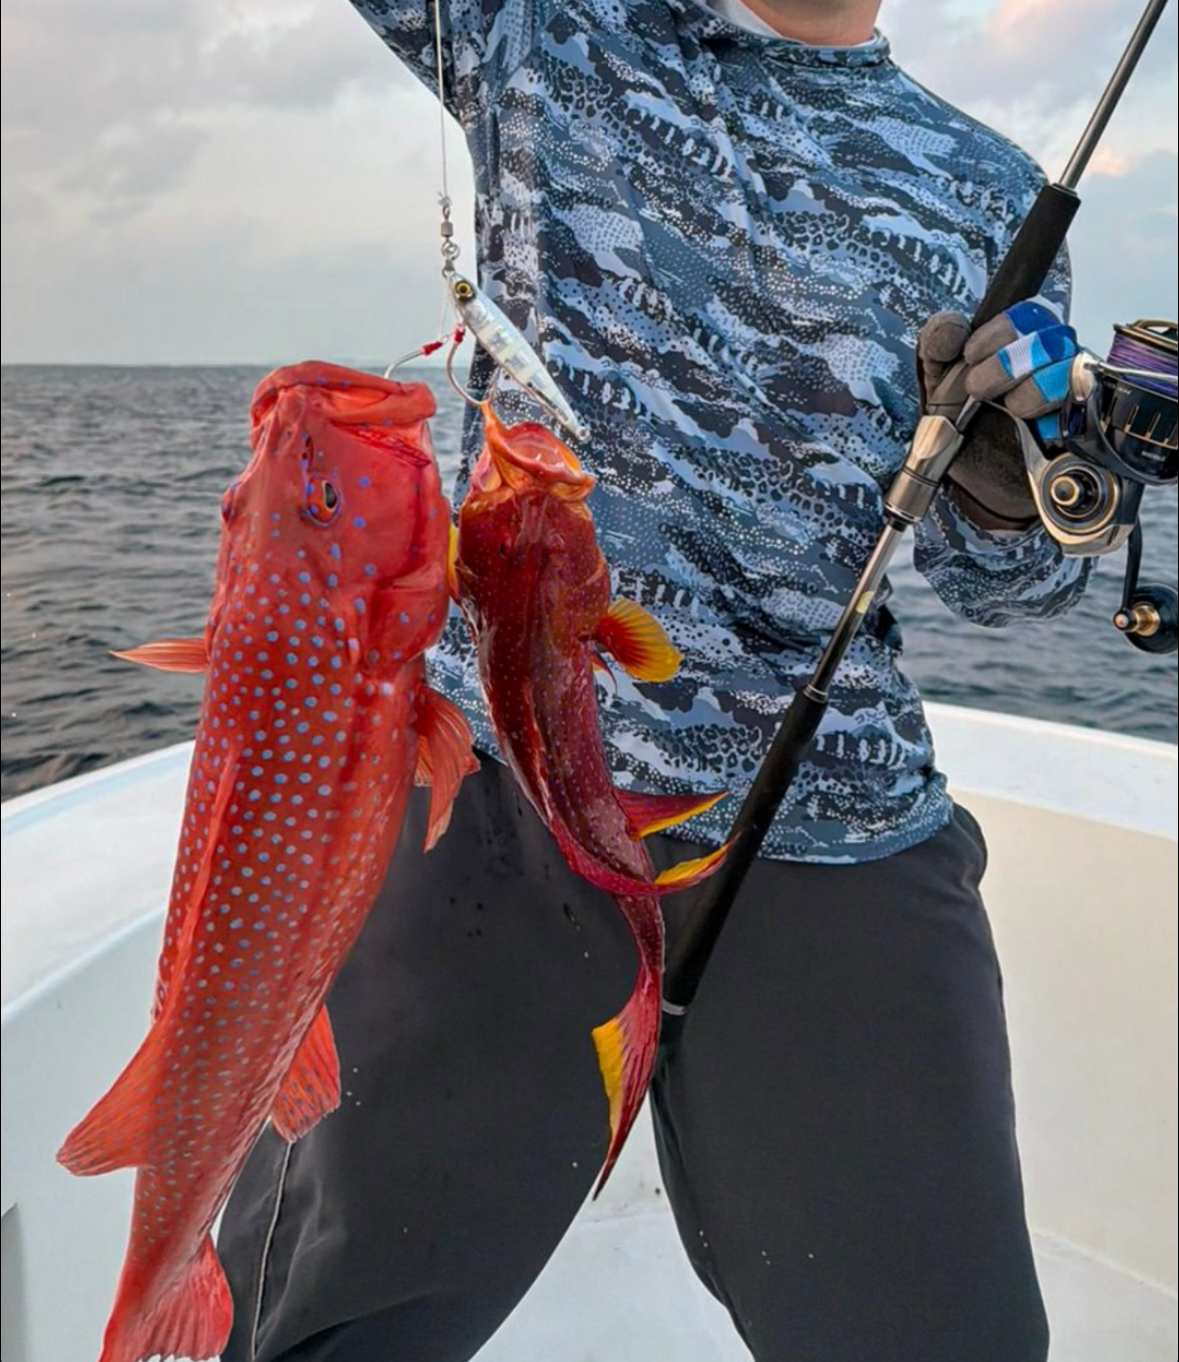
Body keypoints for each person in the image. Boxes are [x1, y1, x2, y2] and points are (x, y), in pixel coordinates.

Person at [217, 1, 1095, 1358]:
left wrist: (1004, 497)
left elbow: (1020, 591)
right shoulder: (542, 28)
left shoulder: (990, 191)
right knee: (316, 1319)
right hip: (501, 790)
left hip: (830, 814)